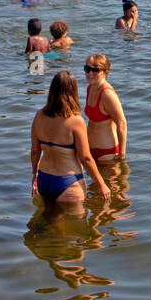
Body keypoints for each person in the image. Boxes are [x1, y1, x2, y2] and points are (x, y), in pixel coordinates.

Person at [31, 71, 109, 204]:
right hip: (68, 182)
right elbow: (85, 158)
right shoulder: (76, 121)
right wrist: (102, 184)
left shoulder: (39, 116)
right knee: (76, 224)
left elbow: (35, 151)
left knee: (45, 221)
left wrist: (34, 175)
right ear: (73, 91)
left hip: (44, 179)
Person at [82, 55, 127, 164]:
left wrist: (122, 153)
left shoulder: (107, 94)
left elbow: (122, 123)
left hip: (108, 153)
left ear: (106, 72)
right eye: (87, 69)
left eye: (95, 70)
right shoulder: (90, 88)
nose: (90, 73)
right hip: (91, 151)